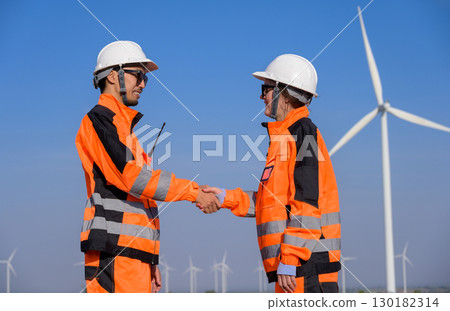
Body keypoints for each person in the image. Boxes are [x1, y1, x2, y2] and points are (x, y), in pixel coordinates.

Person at [75, 41, 220, 293]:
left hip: (132, 255)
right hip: (114, 253)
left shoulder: (124, 130)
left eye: (145, 78)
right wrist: (194, 192)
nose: (143, 84)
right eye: (138, 75)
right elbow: (135, 179)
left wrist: (150, 259)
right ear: (112, 75)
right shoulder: (99, 121)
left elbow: (140, 200)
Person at [200, 54, 341, 293]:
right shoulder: (285, 138)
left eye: (265, 89)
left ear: (282, 93)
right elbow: (274, 203)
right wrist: (227, 198)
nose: (261, 96)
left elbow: (306, 203)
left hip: (304, 268)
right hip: (294, 267)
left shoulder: (302, 134)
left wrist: (291, 257)